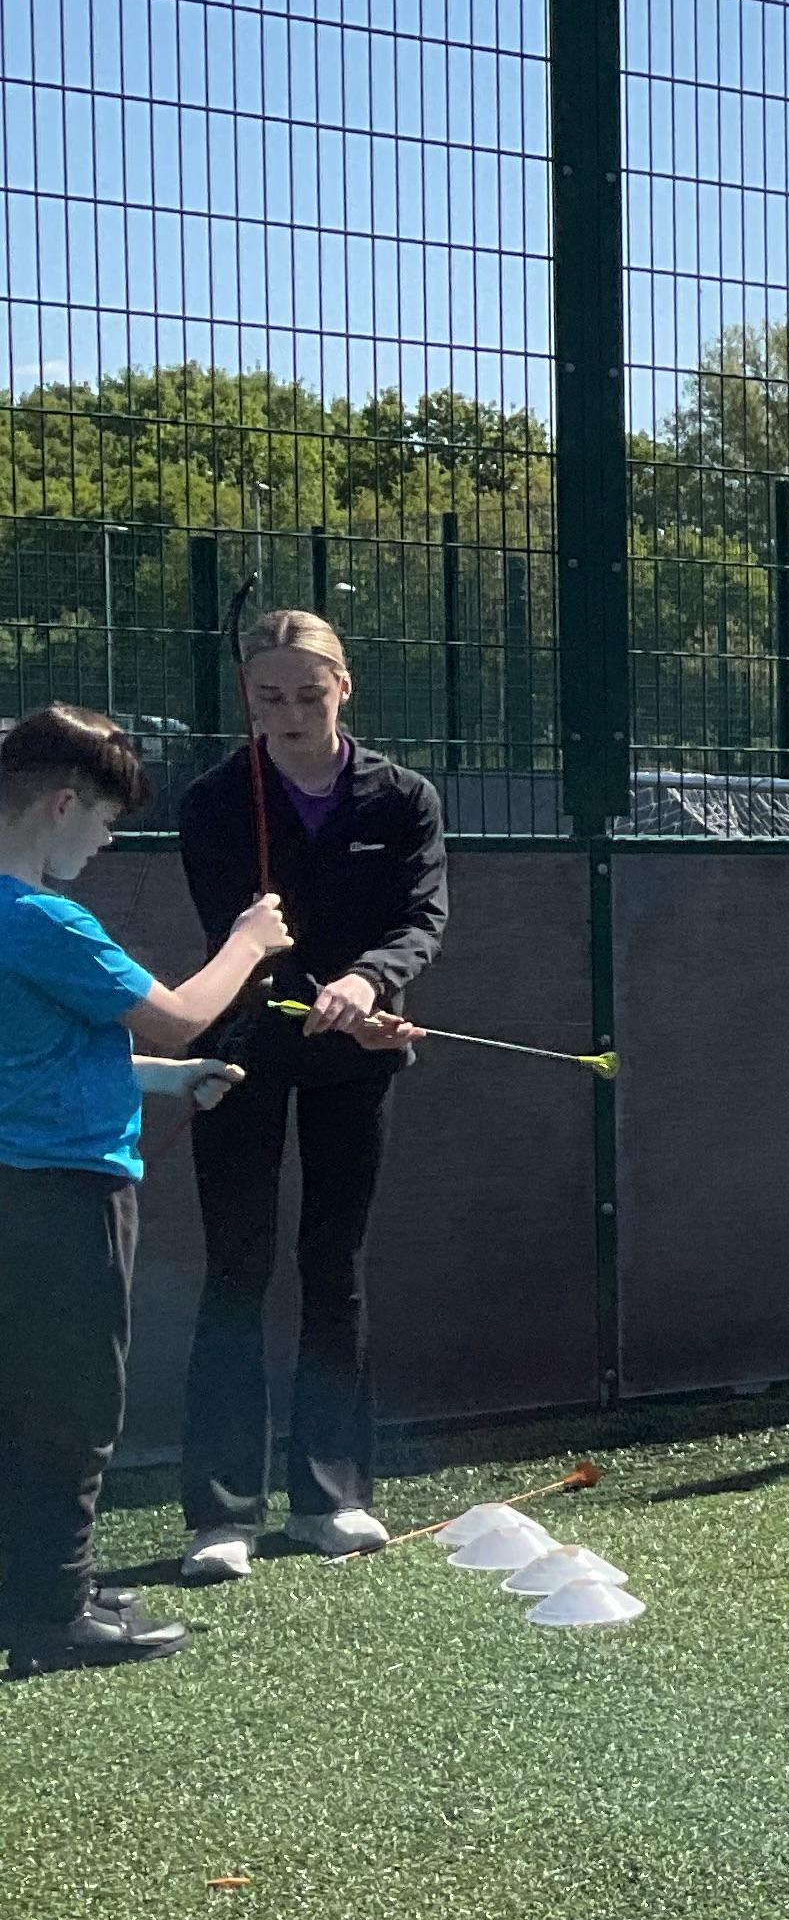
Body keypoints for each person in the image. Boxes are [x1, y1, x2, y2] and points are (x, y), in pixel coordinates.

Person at [1, 704, 292, 1660]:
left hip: (19, 1189)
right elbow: (176, 1014)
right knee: (76, 1403)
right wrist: (249, 940)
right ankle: (51, 1616)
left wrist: (169, 1083)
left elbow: (47, 1056)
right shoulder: (45, 921)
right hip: (66, 1195)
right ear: (61, 805)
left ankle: (44, 1585)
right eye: (103, 820)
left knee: (28, 1392)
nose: (105, 841)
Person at [172, 610, 446, 1582]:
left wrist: (370, 986)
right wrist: (324, 1002)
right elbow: (237, 942)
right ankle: (221, 1516)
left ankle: (331, 1498)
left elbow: (422, 918)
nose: (289, 715)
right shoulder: (214, 802)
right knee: (237, 1266)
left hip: (358, 1056)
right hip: (244, 1048)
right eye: (269, 697)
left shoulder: (404, 798)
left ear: (344, 688)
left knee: (335, 1262)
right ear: (248, 698)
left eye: (308, 693)